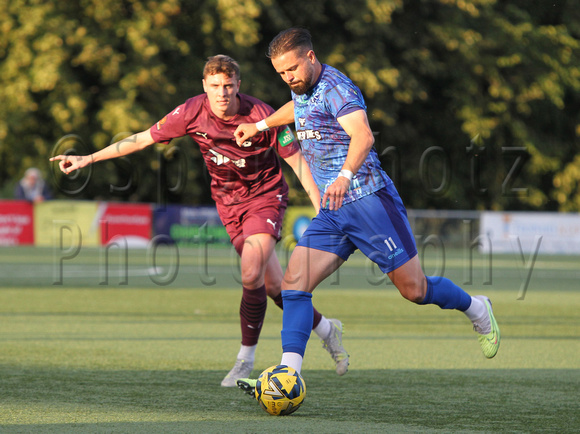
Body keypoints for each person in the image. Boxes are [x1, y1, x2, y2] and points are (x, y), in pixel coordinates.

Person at [50, 54, 349, 387]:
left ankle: (244, 360)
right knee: (274, 286)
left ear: (239, 86)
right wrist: (87, 158)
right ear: (204, 86)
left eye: (228, 86)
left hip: (266, 198)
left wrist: (323, 210)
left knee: (251, 270)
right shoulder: (191, 112)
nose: (222, 93)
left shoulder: (263, 116)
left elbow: (298, 165)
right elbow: (143, 138)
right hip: (228, 205)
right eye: (215, 86)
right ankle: (326, 328)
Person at [234, 28, 500, 393]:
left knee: (415, 290)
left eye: (293, 69)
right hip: (333, 210)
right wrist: (260, 124)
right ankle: (287, 372)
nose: (288, 77)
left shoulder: (336, 88)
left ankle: (476, 308)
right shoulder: (301, 89)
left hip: (369, 201)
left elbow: (363, 135)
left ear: (311, 57)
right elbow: (295, 110)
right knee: (294, 285)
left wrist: (345, 175)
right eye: (281, 73)